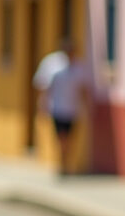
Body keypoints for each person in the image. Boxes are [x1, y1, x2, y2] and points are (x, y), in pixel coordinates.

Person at [32, 37, 88, 177]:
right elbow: (43, 86)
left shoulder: (79, 67)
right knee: (61, 138)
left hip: (73, 110)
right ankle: (63, 165)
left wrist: (85, 109)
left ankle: (65, 163)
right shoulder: (52, 65)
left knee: (69, 139)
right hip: (57, 109)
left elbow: (83, 90)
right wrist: (42, 105)